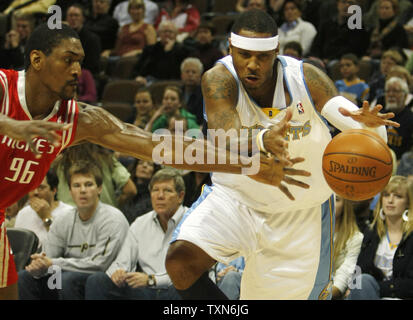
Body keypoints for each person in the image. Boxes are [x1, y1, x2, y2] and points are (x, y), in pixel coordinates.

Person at [0, 22, 308, 299]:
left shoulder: (77, 119)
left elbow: (157, 146)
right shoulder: (4, 86)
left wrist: (249, 165)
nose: (77, 70)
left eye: (80, 61)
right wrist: (8, 125)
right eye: (68, 60)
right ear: (37, 60)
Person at [165, 9, 399, 300]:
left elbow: (347, 116)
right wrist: (263, 137)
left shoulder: (305, 77)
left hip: (299, 212)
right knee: (180, 262)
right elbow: (226, 135)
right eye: (243, 55)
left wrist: (370, 127)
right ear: (230, 49)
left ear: (275, 51)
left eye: (262, 56)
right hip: (235, 200)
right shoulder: (217, 79)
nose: (252, 64)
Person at [17, 161, 130, 300]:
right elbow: (49, 256)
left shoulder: (112, 218)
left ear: (99, 189)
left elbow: (100, 264)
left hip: (104, 280)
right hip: (65, 277)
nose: (82, 190)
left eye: (88, 184)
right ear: (70, 191)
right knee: (24, 277)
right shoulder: (64, 219)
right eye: (77, 185)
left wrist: (53, 263)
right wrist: (39, 265)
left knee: (67, 280)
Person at [84, 168, 185, 299]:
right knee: (97, 280)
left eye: (167, 190)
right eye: (155, 190)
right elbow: (123, 261)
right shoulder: (140, 223)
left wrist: (152, 279)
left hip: (176, 289)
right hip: (145, 290)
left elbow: (189, 274)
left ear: (180, 196)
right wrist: (117, 272)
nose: (160, 196)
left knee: (178, 291)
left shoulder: (192, 222)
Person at [347, 175, 413, 300]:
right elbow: (359, 270)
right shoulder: (372, 233)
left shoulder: (411, 237)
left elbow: (410, 284)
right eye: (386, 195)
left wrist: (377, 287)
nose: (390, 200)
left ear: (408, 203)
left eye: (398, 196)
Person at [53, 142, 137, 209]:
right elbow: (130, 189)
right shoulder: (106, 159)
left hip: (67, 214)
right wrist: (113, 204)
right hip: (104, 214)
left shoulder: (59, 162)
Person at [14, 169, 73, 248]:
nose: (35, 192)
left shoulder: (69, 212)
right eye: (32, 187)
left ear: (54, 190)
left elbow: (67, 246)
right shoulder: (23, 213)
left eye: (41, 188)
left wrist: (46, 218)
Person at [133, 20, 195, 86]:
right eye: (165, 31)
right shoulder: (150, 49)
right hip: (150, 81)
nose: (167, 34)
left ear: (176, 34)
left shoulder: (183, 50)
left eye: (170, 32)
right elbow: (137, 68)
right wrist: (138, 77)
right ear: (159, 34)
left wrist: (169, 52)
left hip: (175, 83)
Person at [332, 195, 363, 299]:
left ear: (345, 205)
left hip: (332, 293)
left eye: (336, 200)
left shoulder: (355, 237)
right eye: (326, 200)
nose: (330, 204)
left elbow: (345, 274)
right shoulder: (312, 232)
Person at [65, 3, 102, 75]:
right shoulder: (62, 38)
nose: (73, 18)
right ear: (66, 19)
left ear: (83, 18)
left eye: (76, 15)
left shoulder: (92, 39)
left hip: (86, 76)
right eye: (70, 15)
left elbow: (92, 66)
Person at [382, 77, 413, 160]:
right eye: (388, 91)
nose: (391, 94)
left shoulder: (410, 119)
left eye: (395, 91)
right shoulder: (380, 115)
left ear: (405, 96)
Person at [120, 159, 159, 224]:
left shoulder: (154, 197)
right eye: (140, 163)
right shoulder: (125, 190)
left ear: (154, 171)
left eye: (150, 164)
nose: (144, 166)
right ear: (135, 168)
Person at [180, 57, 204, 125]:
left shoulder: (204, 95)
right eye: (187, 72)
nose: (190, 75)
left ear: (200, 76)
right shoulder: (178, 92)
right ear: (181, 75)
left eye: (194, 72)